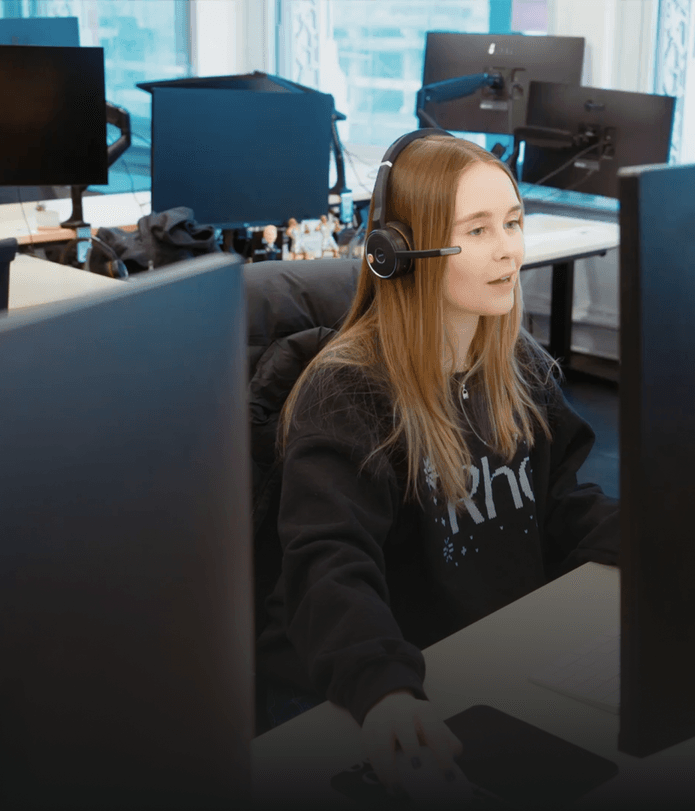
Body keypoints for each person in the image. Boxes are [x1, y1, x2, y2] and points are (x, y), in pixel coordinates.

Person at [256, 131, 618, 795]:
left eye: (512, 222)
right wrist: (385, 691)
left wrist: (675, 546)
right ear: (400, 254)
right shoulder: (349, 393)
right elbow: (329, 569)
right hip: (386, 687)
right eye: (477, 230)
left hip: (495, 663)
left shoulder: (515, 366)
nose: (508, 248)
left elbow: (563, 504)